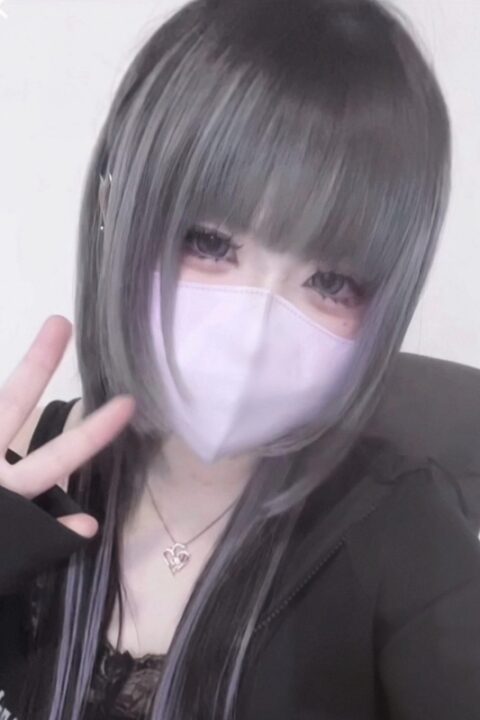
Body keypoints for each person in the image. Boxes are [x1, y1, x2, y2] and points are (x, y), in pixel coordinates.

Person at [1, 0, 480, 718]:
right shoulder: (23, 474)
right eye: (210, 242)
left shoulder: (409, 539)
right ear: (113, 208)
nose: (254, 333)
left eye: (330, 282)